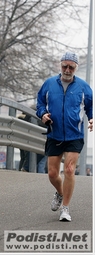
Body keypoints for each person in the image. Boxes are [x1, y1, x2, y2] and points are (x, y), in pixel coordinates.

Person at [36, 51, 93, 222]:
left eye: (71, 67)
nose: (67, 70)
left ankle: (65, 208)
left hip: (74, 135)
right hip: (55, 133)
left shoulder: (84, 87)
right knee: (52, 173)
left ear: (76, 68)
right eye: (64, 66)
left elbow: (90, 107)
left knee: (69, 169)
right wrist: (43, 114)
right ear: (60, 66)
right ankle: (60, 193)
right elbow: (40, 103)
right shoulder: (49, 84)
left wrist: (91, 118)